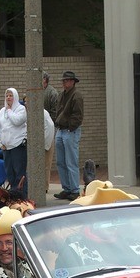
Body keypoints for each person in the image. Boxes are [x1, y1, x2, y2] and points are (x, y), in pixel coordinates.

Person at [0, 87, 28, 198]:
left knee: (19, 173)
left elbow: (17, 121)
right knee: (10, 174)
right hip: (6, 148)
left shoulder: (21, 109)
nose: (8, 98)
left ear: (15, 97)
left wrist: (9, 111)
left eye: (11, 95)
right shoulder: (1, 112)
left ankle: (22, 196)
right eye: (7, 95)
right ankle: (13, 196)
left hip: (18, 146)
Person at [54, 71, 84, 201]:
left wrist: (71, 127)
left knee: (71, 161)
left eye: (66, 80)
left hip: (70, 131)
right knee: (60, 161)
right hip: (61, 130)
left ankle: (74, 189)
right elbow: (59, 111)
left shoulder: (76, 96)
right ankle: (67, 188)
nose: (64, 83)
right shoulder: (62, 95)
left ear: (72, 81)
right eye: (63, 81)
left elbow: (78, 115)